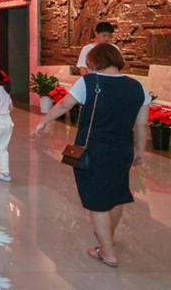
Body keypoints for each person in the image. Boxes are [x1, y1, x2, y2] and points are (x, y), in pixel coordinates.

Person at [33, 44, 148, 267]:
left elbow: (64, 104)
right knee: (117, 195)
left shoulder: (89, 82)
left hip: (93, 150)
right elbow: (142, 124)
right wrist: (139, 150)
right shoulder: (138, 87)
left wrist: (43, 121)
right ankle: (107, 239)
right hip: (122, 150)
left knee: (96, 200)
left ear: (95, 61)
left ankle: (107, 252)